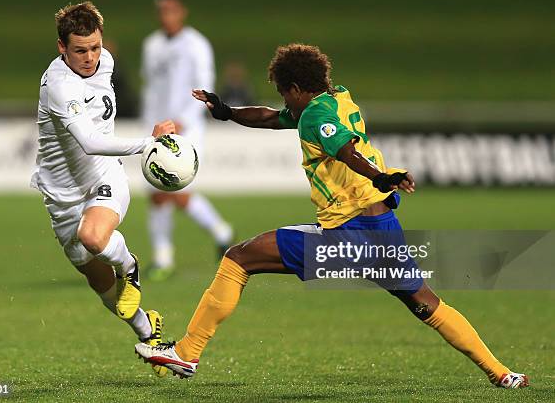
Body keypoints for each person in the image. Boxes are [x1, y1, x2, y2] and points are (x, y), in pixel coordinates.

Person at [135, 44, 529, 389]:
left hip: (349, 233)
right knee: (425, 302)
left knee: (239, 258)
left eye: (283, 93)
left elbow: (343, 148)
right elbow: (272, 118)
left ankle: (187, 352)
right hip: (383, 230)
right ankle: (500, 372)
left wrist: (380, 175)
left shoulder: (311, 117)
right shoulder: (336, 98)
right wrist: (226, 111)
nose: (282, 101)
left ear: (294, 88)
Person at [31, 1, 174, 354]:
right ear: (61, 47)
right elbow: (91, 141)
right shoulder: (60, 87)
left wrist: (144, 144)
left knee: (94, 237)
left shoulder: (105, 62)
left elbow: (99, 140)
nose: (90, 57)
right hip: (62, 195)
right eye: (80, 50)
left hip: (103, 177)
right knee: (102, 287)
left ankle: (130, 266)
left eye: (95, 46)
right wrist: (147, 143)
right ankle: (149, 333)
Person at [140, 0, 233, 281]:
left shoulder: (196, 44)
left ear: (182, 12)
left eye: (171, 10)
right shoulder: (151, 45)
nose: (166, 16)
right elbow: (151, 86)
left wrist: (183, 120)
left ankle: (218, 231)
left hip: (187, 128)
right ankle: (164, 257)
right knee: (157, 192)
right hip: (158, 127)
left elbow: (205, 85)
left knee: (174, 191)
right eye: (162, 11)